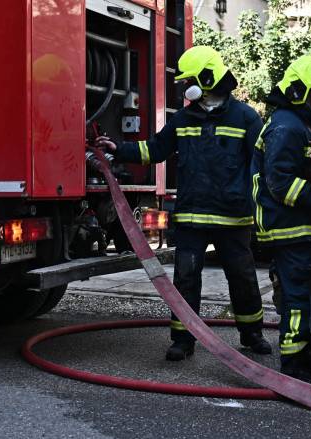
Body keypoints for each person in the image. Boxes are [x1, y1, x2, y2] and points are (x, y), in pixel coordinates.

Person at [96, 46, 271, 360]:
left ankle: (252, 334)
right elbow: (155, 150)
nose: (186, 87)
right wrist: (118, 149)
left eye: (190, 80)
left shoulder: (245, 118)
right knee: (186, 279)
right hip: (192, 216)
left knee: (243, 278)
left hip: (233, 218)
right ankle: (183, 340)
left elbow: (262, 163)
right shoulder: (184, 119)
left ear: (208, 77)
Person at [251, 55, 311, 388]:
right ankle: (294, 366)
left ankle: (307, 355)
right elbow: (279, 182)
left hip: (306, 229)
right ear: (297, 91)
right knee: (297, 300)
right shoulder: (285, 126)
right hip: (289, 229)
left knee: (310, 296)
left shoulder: (304, 124)